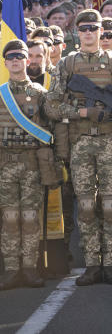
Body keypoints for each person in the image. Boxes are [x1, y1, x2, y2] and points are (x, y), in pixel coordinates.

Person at [45, 9, 112, 286]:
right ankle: (93, 264)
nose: (88, 33)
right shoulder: (68, 65)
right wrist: (83, 113)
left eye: (93, 28)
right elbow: (52, 105)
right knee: (85, 206)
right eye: (83, 28)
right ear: (76, 32)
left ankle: (111, 262)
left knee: (110, 204)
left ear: (100, 31)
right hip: (81, 142)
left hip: (110, 142)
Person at [0, 40, 58, 290]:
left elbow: (54, 129)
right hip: (5, 164)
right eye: (10, 57)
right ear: (5, 62)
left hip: (32, 164)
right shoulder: (1, 92)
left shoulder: (39, 94)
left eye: (19, 57)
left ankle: (30, 269)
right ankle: (12, 270)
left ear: (28, 61)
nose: (15, 61)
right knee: (10, 219)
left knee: (31, 217)